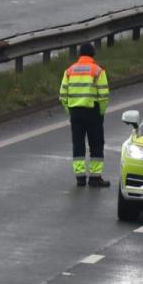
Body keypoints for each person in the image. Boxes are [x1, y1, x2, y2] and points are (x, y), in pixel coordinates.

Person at [59, 42, 110, 187]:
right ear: (93, 54)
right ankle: (95, 178)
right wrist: (101, 112)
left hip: (75, 112)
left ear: (80, 55)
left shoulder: (69, 71)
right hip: (92, 111)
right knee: (96, 143)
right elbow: (103, 94)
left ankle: (80, 177)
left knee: (78, 143)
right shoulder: (98, 70)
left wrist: (70, 110)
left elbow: (63, 95)